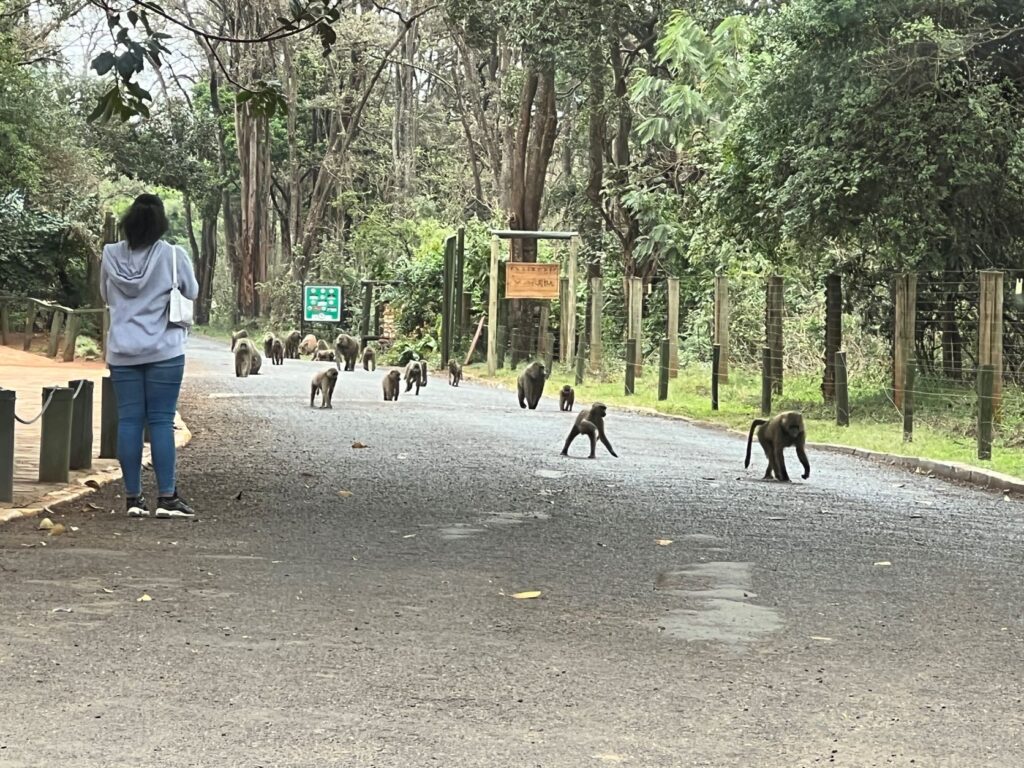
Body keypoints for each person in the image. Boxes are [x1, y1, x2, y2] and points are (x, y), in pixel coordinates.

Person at [100, 193, 199, 519]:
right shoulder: (172, 255)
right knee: (160, 420)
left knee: (129, 421)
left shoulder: (110, 255)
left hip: (122, 351)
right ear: (160, 224)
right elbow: (192, 291)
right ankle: (167, 498)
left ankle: (132, 498)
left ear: (129, 221)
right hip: (164, 351)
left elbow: (105, 295)